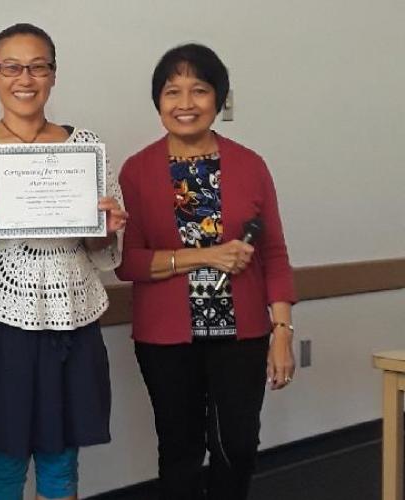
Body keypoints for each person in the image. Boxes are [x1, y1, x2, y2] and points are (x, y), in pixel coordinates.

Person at [0, 23, 128, 500]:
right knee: (4, 460)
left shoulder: (86, 149)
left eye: (38, 66)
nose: (25, 78)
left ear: (53, 74)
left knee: (61, 459)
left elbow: (99, 248)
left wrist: (105, 229)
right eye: (11, 67)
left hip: (71, 315)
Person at [115, 43, 296, 500]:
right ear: (158, 102)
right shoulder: (136, 171)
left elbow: (273, 253)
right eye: (172, 92)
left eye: (199, 90)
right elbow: (130, 263)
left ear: (219, 99)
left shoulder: (250, 165)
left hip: (243, 334)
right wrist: (206, 256)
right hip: (165, 339)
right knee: (179, 450)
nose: (185, 103)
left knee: (237, 445)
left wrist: (282, 333)